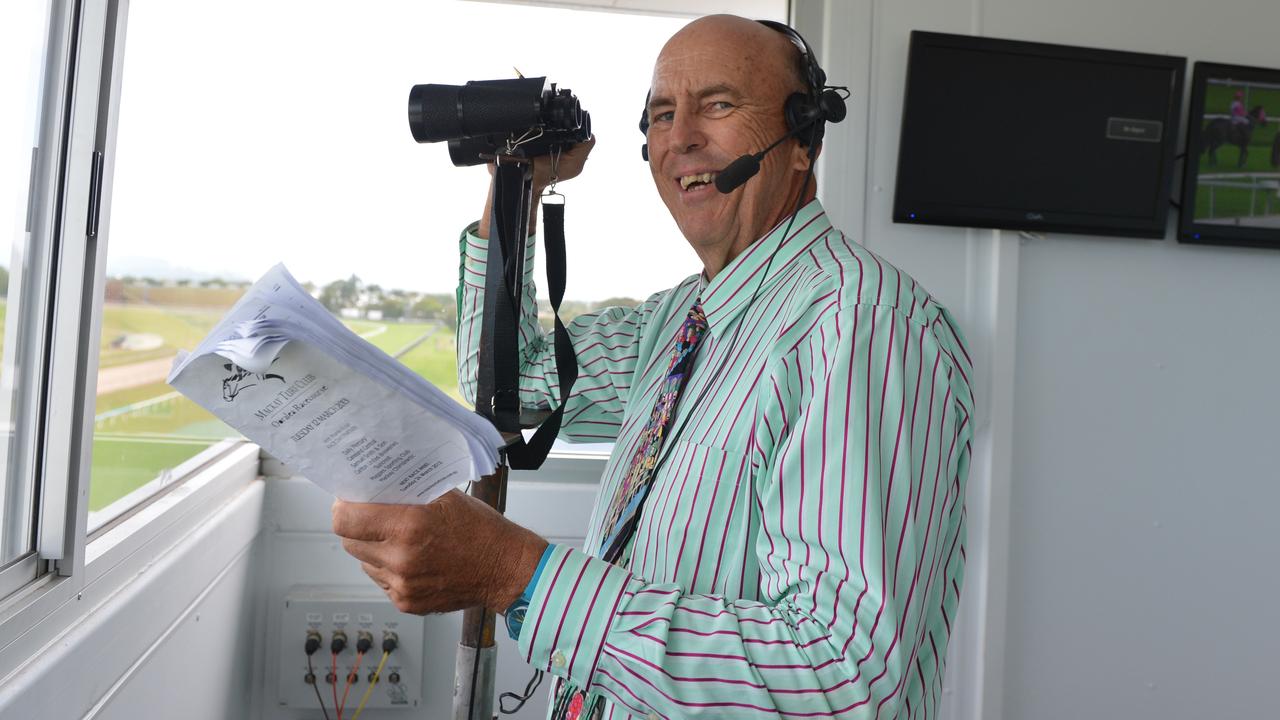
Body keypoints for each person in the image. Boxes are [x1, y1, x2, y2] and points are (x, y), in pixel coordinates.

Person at [332, 14, 973, 719]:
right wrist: (517, 182)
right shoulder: (674, 324)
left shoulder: (863, 325)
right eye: (662, 114)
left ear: (803, 141)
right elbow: (511, 385)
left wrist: (515, 575)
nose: (681, 138)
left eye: (719, 105)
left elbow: (840, 681)